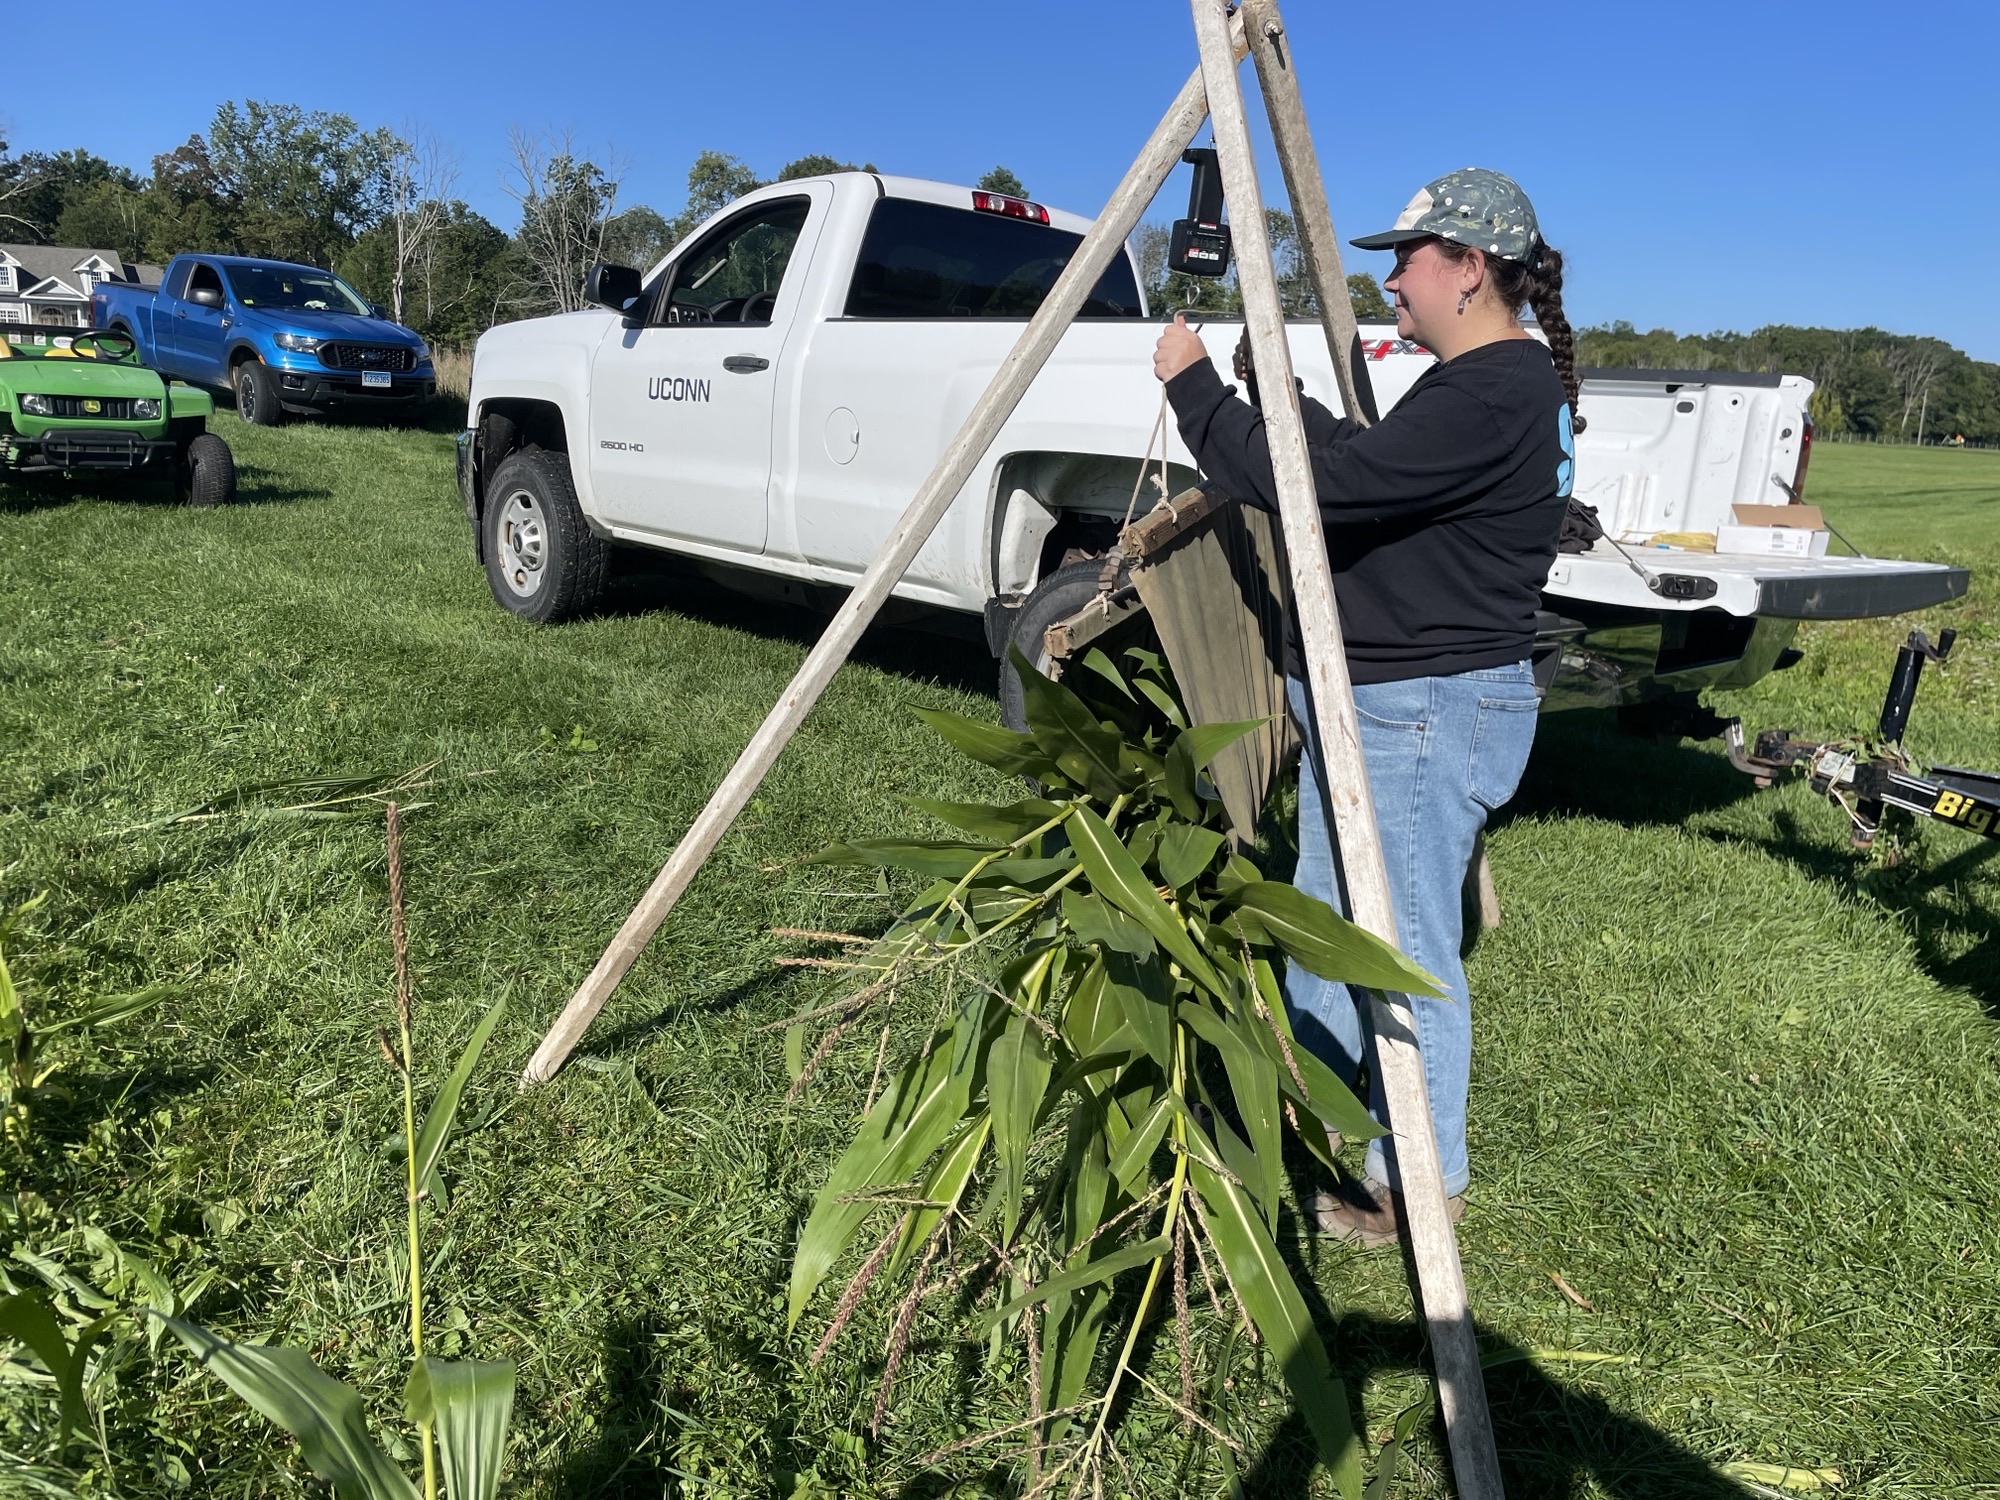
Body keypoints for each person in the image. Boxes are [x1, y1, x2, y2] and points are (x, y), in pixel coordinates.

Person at [1149, 168, 1580, 1244]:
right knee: (1328, 926)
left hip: (1421, 715)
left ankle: (1414, 1188)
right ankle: (1319, 1113)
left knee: (1401, 951)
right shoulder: (1473, 387)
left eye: (1408, 259)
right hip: (1389, 708)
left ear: (1469, 269)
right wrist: (1269, 388)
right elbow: (1355, 461)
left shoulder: (1493, 392)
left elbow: (1324, 490)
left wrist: (1195, 391)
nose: (1388, 281)